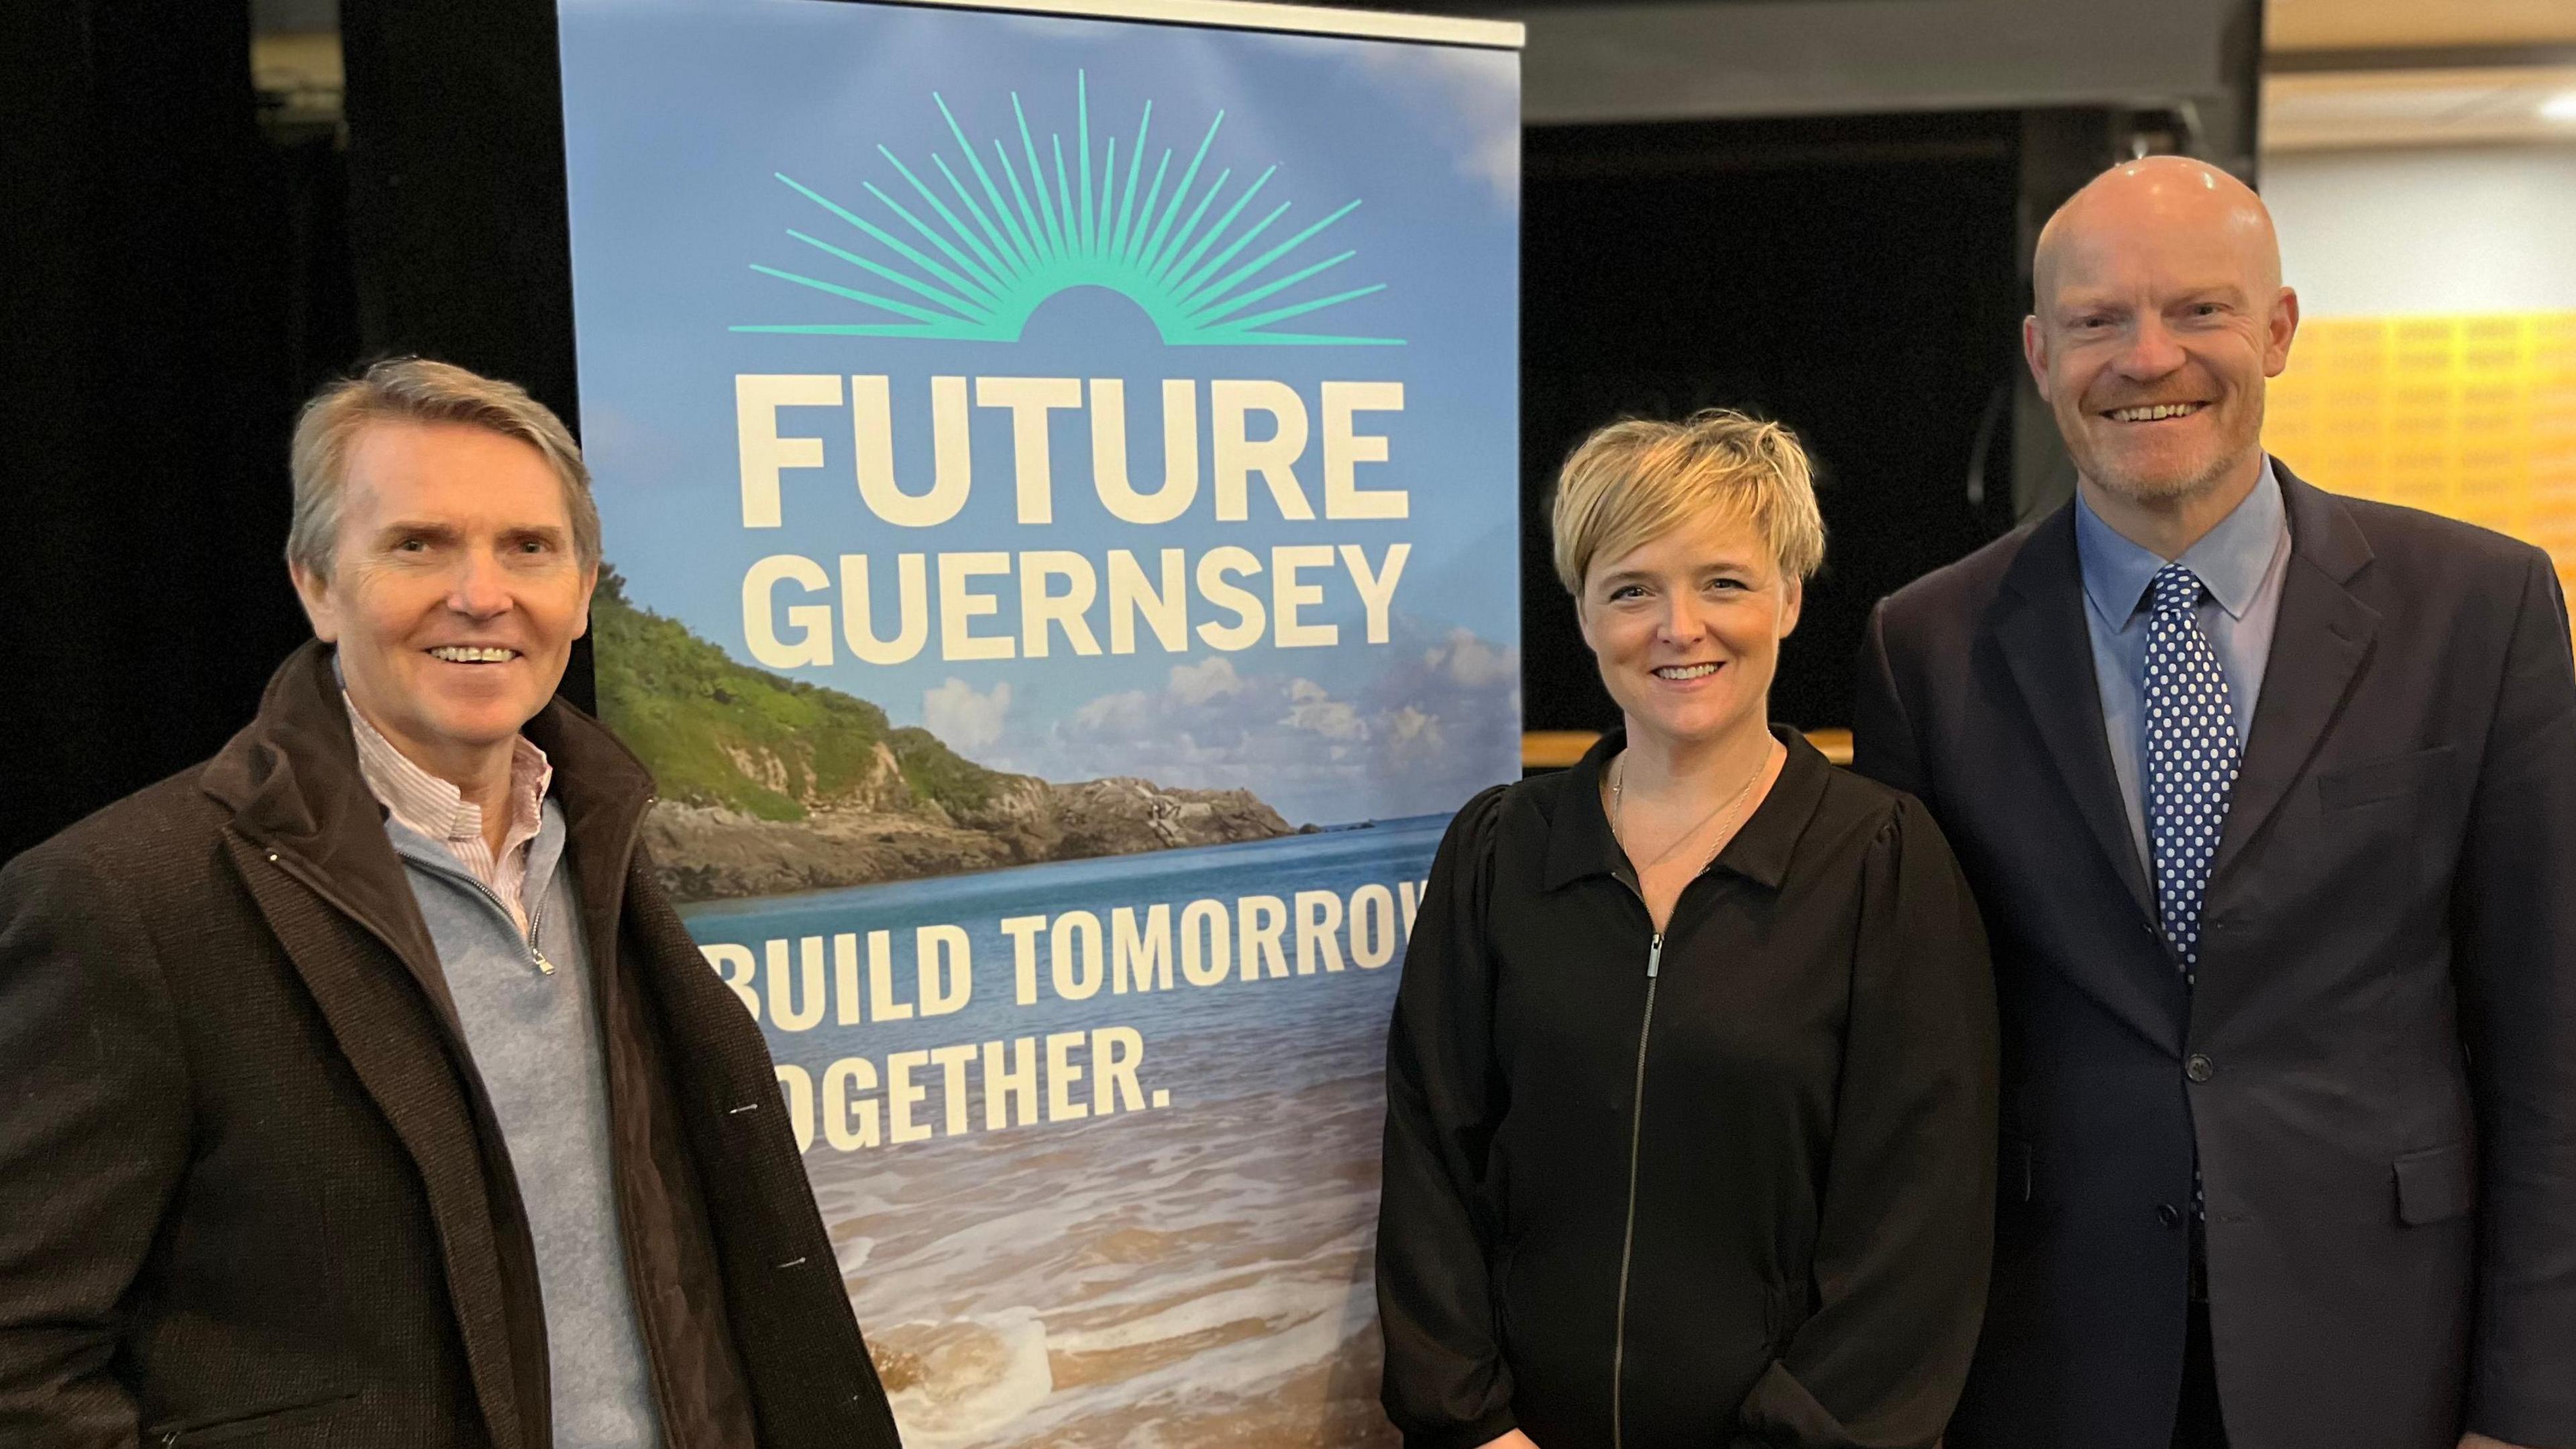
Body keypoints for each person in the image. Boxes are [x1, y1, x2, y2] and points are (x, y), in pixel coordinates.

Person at [0, 359, 904, 1447]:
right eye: (418, 544)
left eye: (528, 546)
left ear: (581, 589)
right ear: (317, 585)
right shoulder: (128, 899)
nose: (482, 593)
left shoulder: (604, 846)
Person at [1854, 156, 2576, 1449]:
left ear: (2281, 330)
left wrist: (2531, 1406)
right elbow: (1910, 1062)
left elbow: (2551, 1036)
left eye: (2200, 310)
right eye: (2096, 321)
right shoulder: (1926, 647)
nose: (2149, 358)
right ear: (2038, 350)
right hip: (2045, 1363)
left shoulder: (2482, 608)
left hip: (2391, 1350)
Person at [1376, 410, 1998, 1449]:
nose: (1679, 627)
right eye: (1632, 589)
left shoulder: (1882, 860)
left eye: (1723, 582)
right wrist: (1471, 1423)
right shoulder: (1499, 851)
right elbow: (1433, 1156)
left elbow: (1919, 1229)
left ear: (1789, 599)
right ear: (1582, 613)